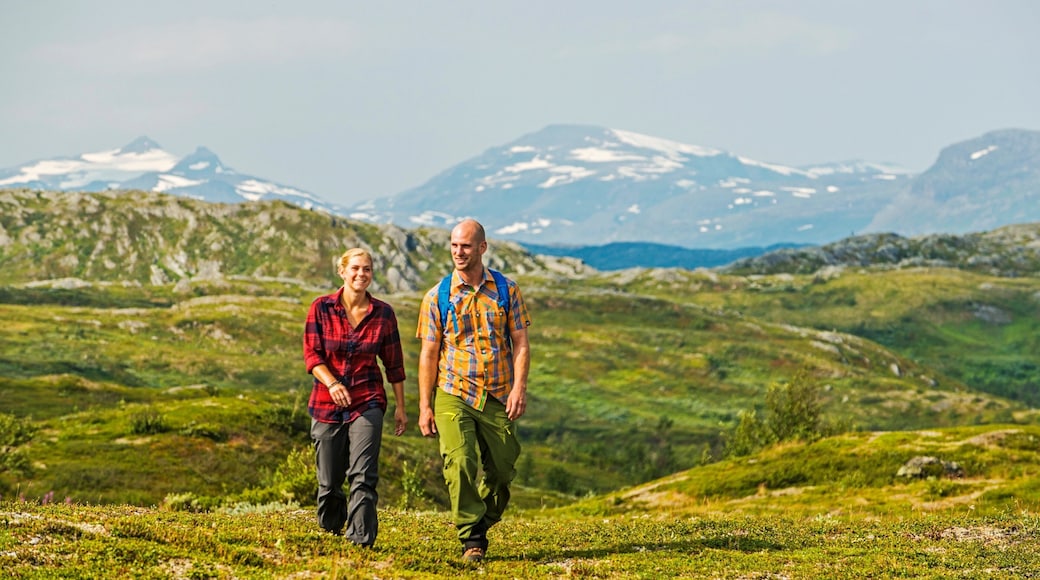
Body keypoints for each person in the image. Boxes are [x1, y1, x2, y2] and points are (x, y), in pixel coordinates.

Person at [416, 219, 532, 563]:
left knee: (502, 468)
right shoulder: (437, 296)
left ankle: (481, 518)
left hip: (497, 391)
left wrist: (518, 389)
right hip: (453, 390)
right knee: (460, 461)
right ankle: (472, 538)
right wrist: (425, 405)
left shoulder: (507, 290)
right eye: (454, 245)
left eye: (465, 246)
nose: (458, 252)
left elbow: (521, 344)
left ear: (482, 248)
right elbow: (428, 354)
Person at [302, 248, 408, 546]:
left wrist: (400, 407)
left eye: (367, 269)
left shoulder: (383, 313)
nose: (362, 274)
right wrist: (333, 383)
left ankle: (360, 540)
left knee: (363, 474)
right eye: (356, 268)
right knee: (329, 482)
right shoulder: (320, 308)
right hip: (326, 404)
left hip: (368, 399)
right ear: (342, 271)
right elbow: (312, 355)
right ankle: (331, 526)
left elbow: (394, 364)